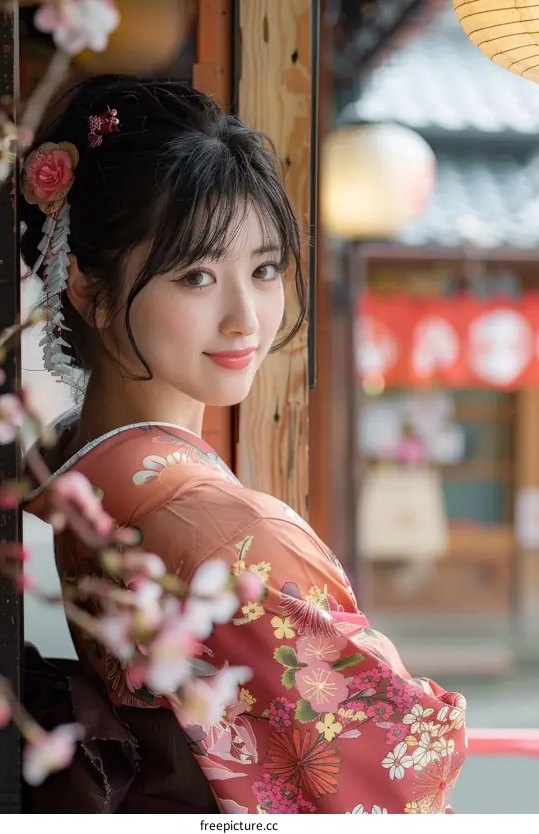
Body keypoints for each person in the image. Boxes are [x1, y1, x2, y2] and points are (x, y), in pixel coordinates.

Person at [23, 74, 466, 814]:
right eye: (196, 275)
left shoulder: (93, 478)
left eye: (263, 270)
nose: (245, 319)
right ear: (86, 287)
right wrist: (382, 658)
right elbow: (400, 764)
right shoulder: (219, 535)